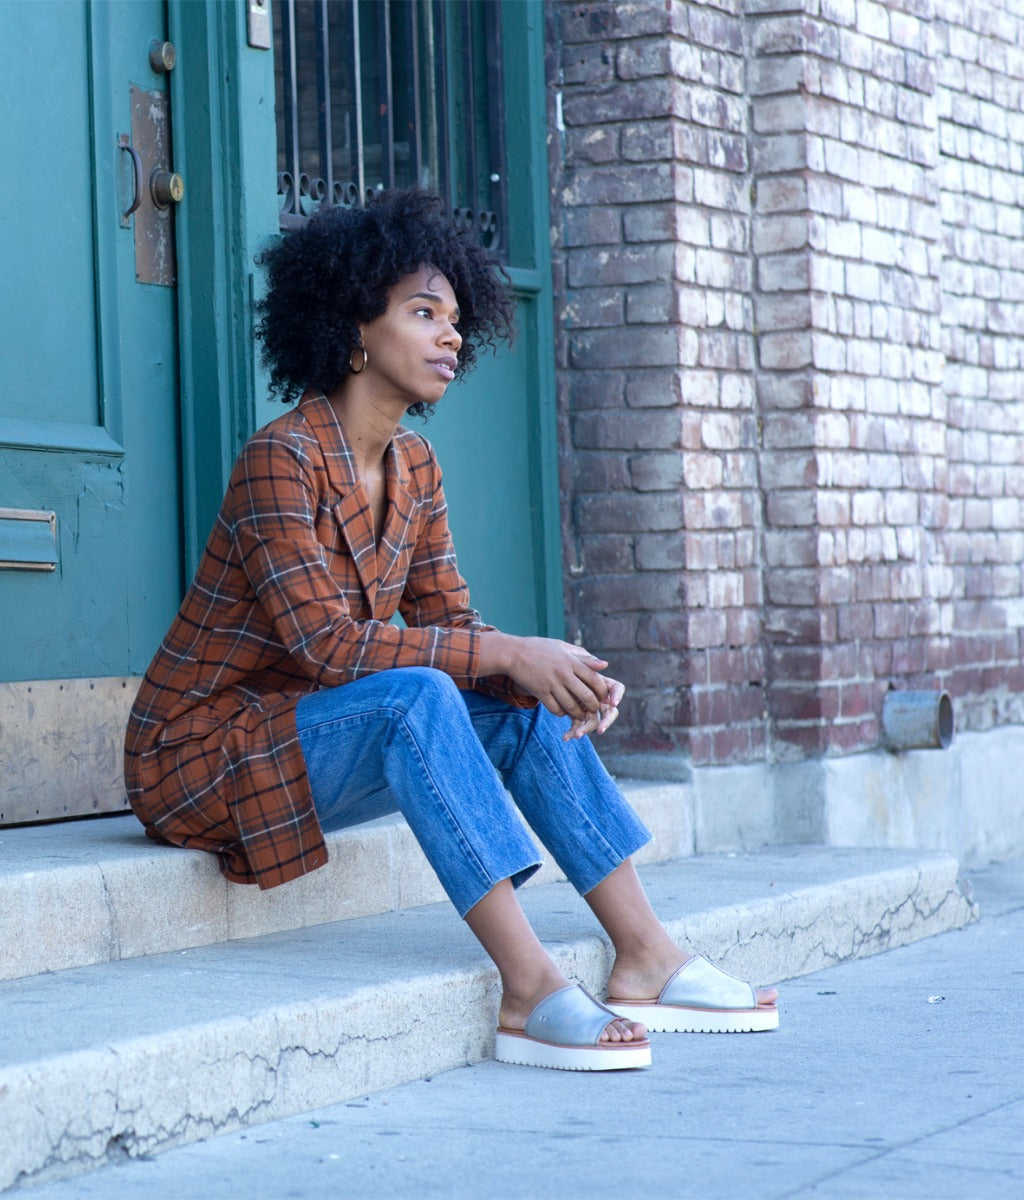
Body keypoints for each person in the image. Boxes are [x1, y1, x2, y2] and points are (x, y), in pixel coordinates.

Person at [125, 188, 777, 1072]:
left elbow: (447, 621)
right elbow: (328, 648)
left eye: (456, 318)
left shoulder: (416, 467)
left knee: (516, 704)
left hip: (308, 738)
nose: (452, 335)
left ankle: (646, 953)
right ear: (355, 328)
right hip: (198, 757)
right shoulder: (281, 459)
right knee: (421, 696)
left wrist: (549, 675)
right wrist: (506, 652)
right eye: (423, 312)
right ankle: (529, 985)